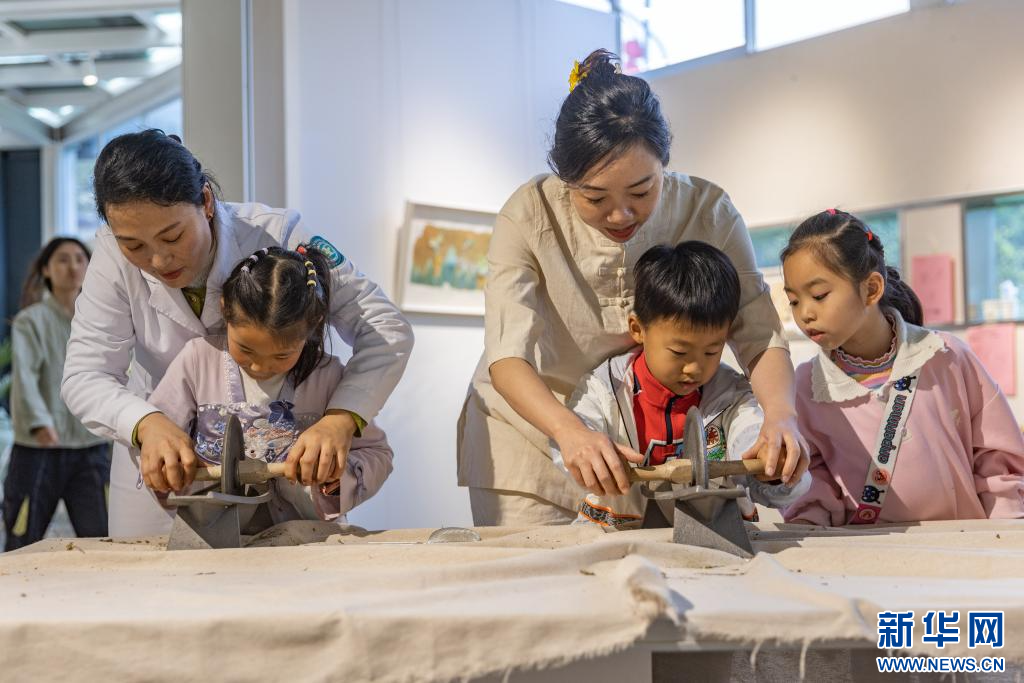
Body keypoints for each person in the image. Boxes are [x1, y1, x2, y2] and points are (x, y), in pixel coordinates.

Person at [458, 49, 802, 525]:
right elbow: (507, 355)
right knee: (536, 569)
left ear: (665, 163)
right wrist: (569, 430)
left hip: (646, 443)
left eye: (642, 191)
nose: (620, 214)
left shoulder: (709, 211)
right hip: (531, 434)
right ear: (565, 180)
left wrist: (780, 415)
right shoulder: (528, 213)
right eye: (594, 197)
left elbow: (759, 333)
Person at [62, 129, 413, 536]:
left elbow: (385, 329)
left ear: (206, 201)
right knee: (150, 573)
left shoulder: (278, 234)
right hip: (164, 464)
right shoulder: (110, 253)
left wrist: (340, 418)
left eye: (173, 236)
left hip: (287, 476)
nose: (158, 260)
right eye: (134, 247)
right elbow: (85, 375)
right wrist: (145, 422)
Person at [780, 209, 1024, 525]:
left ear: (871, 289)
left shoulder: (945, 356)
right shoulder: (806, 387)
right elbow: (812, 481)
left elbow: (997, 459)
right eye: (794, 301)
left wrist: (1005, 530)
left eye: (818, 295)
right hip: (870, 552)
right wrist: (808, 527)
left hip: (965, 545)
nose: (805, 314)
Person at [552, 242, 809, 528]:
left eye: (712, 351)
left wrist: (771, 461)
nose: (694, 368)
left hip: (717, 539)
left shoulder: (732, 396)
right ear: (638, 329)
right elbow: (568, 449)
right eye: (679, 352)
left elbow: (751, 436)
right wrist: (591, 456)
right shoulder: (604, 389)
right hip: (618, 538)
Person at [145, 247, 393, 526]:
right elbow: (155, 440)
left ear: (312, 326)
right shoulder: (197, 361)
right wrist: (168, 466)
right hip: (215, 537)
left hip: (309, 540)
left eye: (282, 355)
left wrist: (334, 480)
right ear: (224, 308)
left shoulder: (328, 375)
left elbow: (378, 455)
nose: (260, 367)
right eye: (246, 350)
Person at [4, 238, 111, 550]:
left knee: (104, 536)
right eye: (63, 259)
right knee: (23, 537)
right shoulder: (30, 320)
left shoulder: (102, 320)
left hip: (92, 447)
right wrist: (39, 422)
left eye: (79, 259)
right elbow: (25, 377)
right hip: (39, 448)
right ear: (46, 270)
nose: (73, 266)